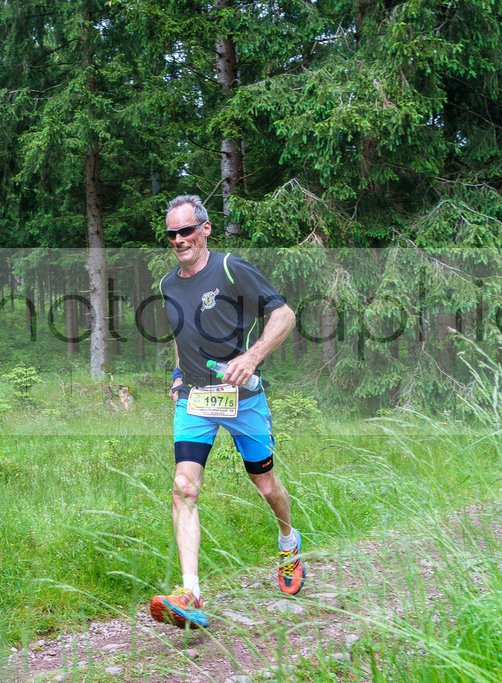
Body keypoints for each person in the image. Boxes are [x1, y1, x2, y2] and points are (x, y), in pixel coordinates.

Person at [149, 194, 304, 630]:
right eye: (172, 234)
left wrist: (252, 358)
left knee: (266, 485)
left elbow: (285, 315)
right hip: (195, 401)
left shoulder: (231, 268)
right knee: (183, 488)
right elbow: (182, 333)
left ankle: (288, 542)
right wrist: (179, 373)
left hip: (243, 398)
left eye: (186, 231)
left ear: (205, 228)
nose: (179, 240)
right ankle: (191, 593)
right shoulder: (168, 285)